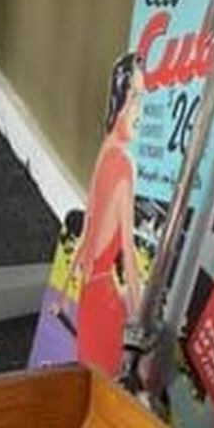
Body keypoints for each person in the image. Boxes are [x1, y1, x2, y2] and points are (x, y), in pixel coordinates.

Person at [64, 52, 145, 378]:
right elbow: (129, 255)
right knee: (107, 384)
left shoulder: (104, 152)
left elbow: (87, 237)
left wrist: (67, 288)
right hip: (104, 303)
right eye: (136, 98)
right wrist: (138, 325)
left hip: (89, 296)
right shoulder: (122, 165)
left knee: (88, 378)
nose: (140, 112)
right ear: (121, 100)